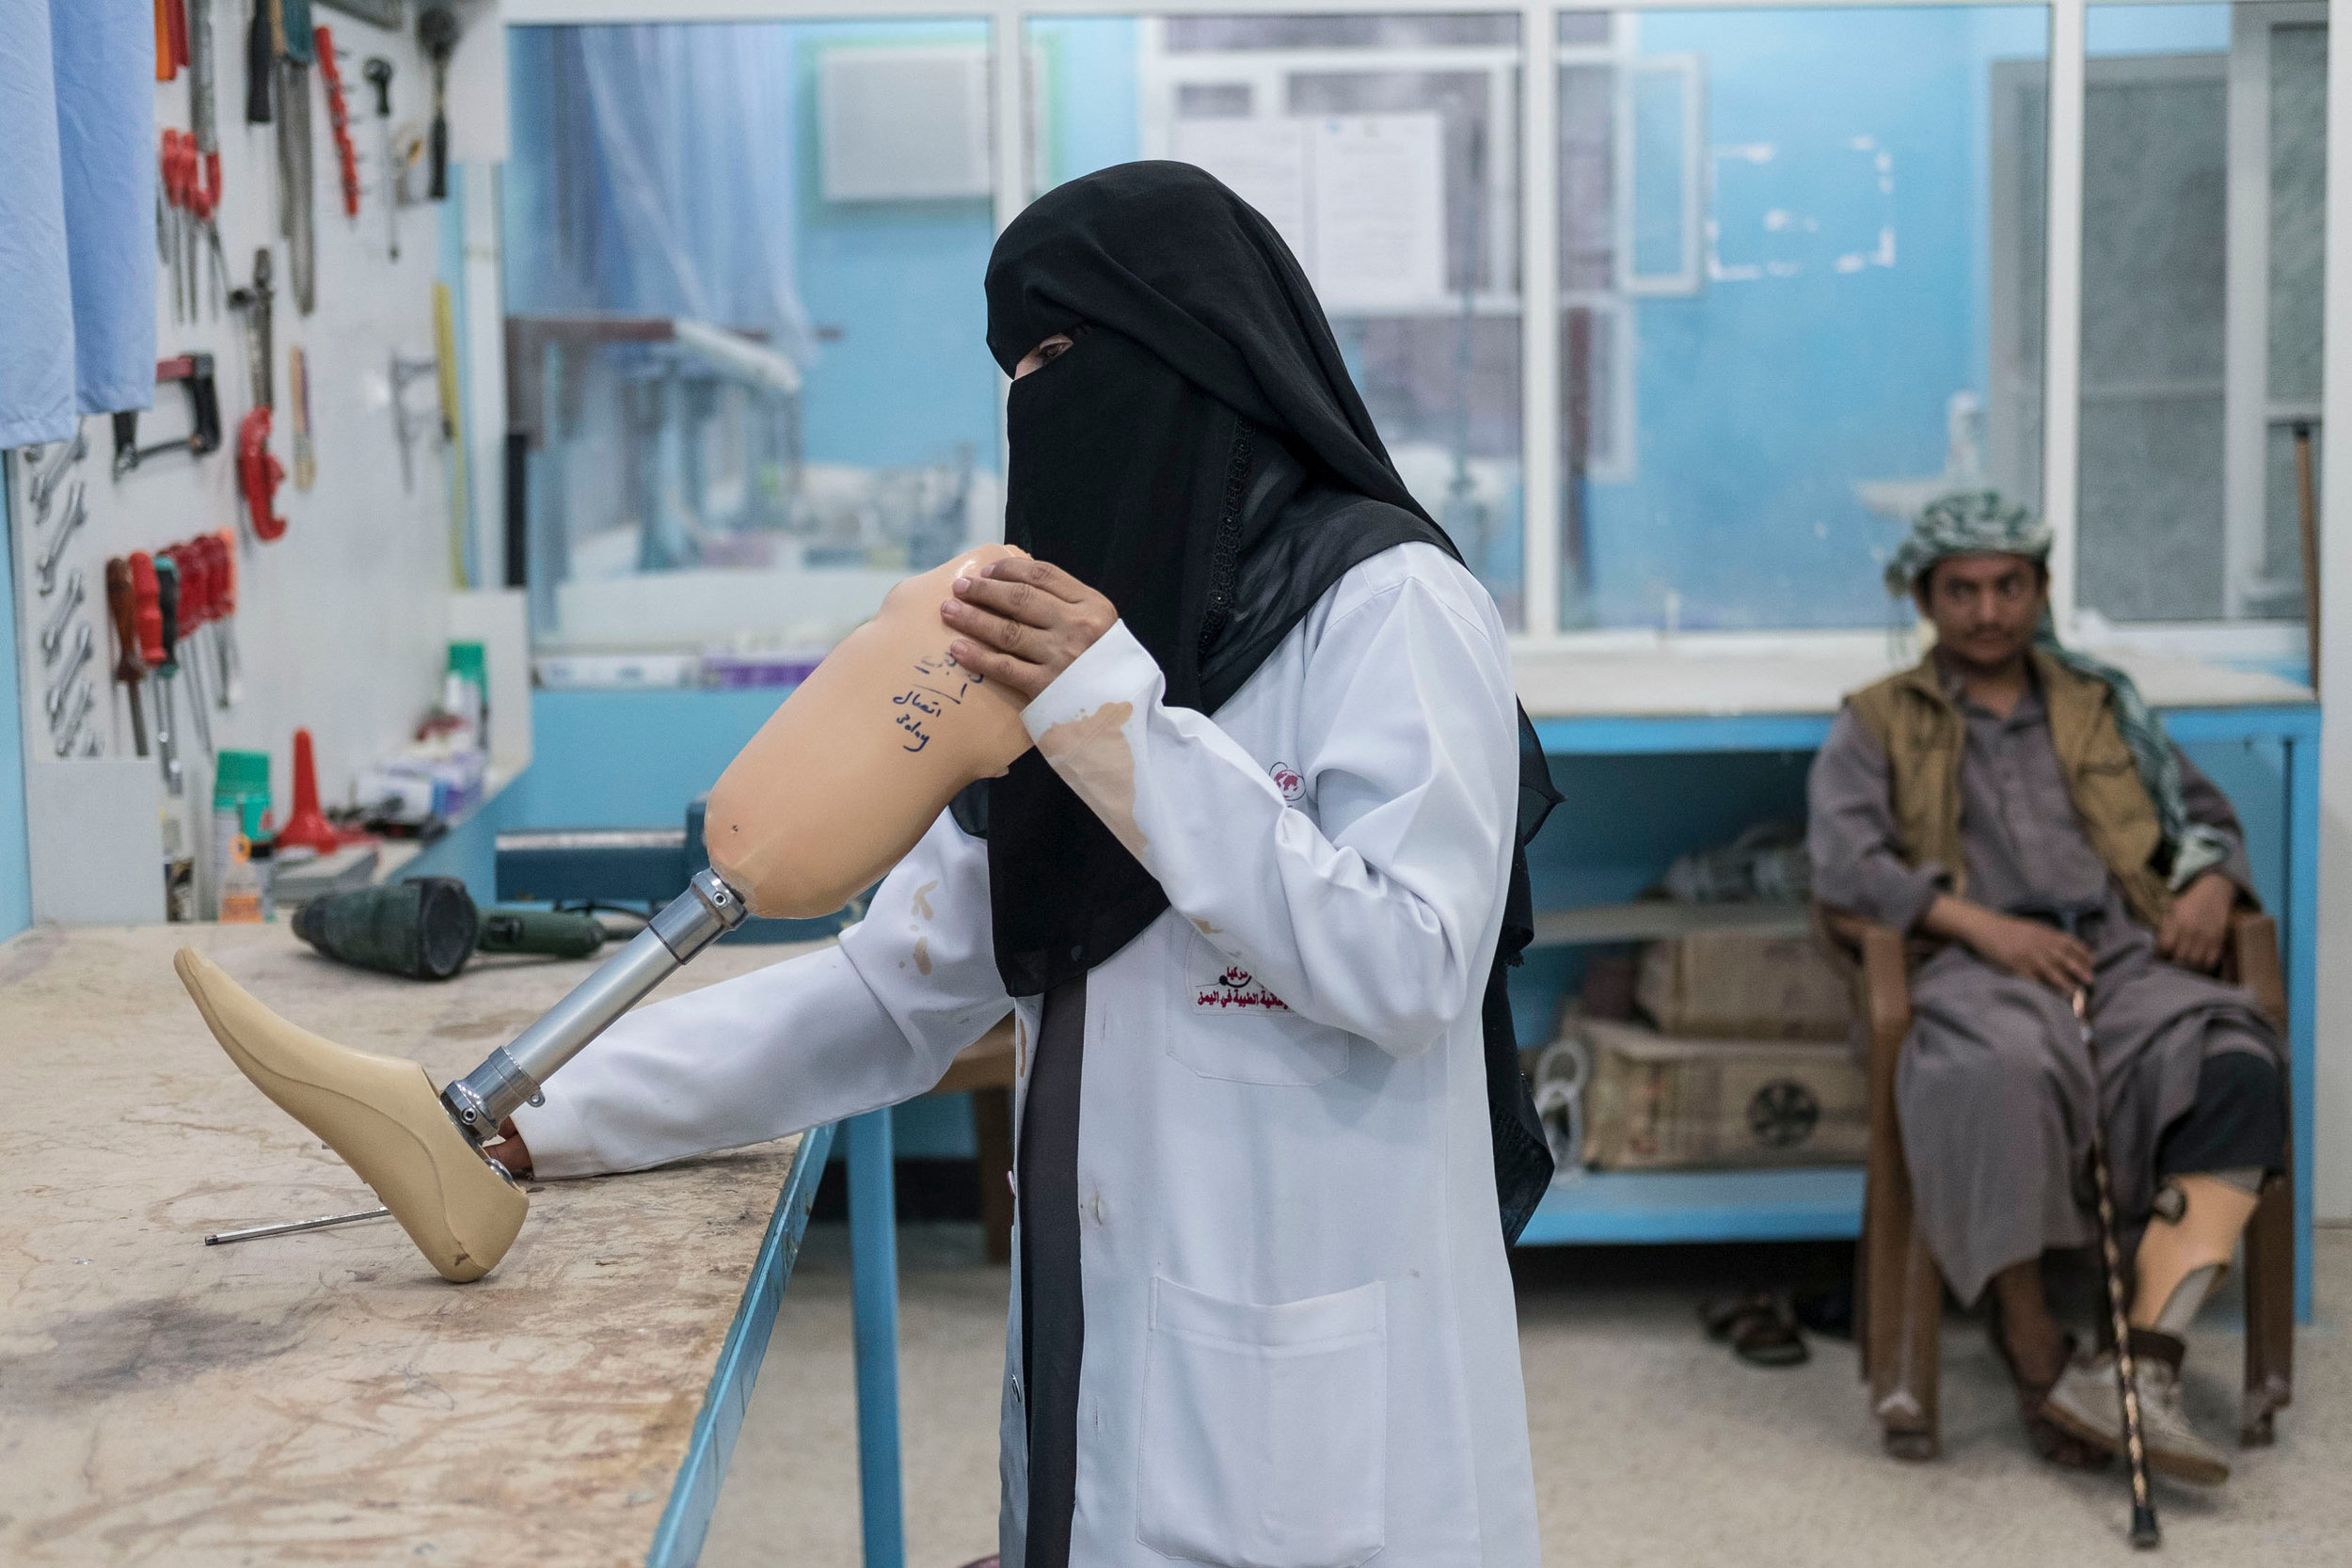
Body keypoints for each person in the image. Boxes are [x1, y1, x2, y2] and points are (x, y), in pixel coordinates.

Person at [499, 162, 1556, 1566]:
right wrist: (545, 1110)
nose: (1036, 403)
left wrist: (1122, 724)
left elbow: (1410, 961)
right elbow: (888, 992)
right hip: (1098, 1384)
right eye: (1017, 370)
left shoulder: (1384, 610)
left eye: (1063, 354)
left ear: (1193, 357)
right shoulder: (1069, 675)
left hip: (1329, 1436)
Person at [1807, 492, 2289, 1484]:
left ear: (2039, 589)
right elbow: (1844, 863)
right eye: (1963, 590)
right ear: (1925, 598)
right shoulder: (1876, 719)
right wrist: (1981, 925)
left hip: (2120, 954)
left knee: (2236, 1061)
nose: (1987, 609)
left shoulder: (2100, 700)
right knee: (1995, 1071)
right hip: (1972, 964)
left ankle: (2139, 1364)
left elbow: (2200, 814)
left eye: (2008, 585)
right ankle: (2034, 1348)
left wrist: (2206, 882)